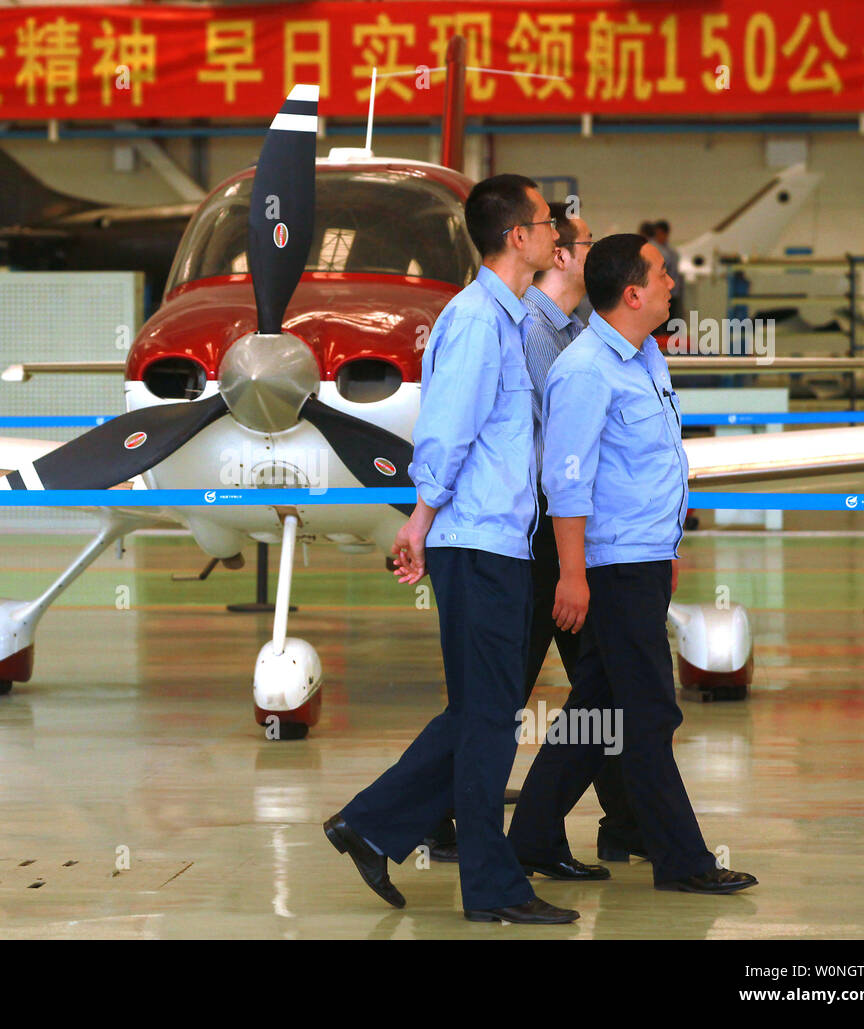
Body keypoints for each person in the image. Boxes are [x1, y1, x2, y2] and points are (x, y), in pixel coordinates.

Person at [323, 174, 579, 925]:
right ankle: (492, 887)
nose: (555, 236)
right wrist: (422, 516)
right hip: (477, 543)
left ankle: (370, 823)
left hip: (494, 540)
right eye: (544, 222)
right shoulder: (475, 320)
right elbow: (447, 431)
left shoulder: (502, 317)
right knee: (490, 719)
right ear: (517, 237)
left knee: (478, 713)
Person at [506, 233, 758, 894]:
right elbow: (566, 479)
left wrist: (667, 550)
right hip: (612, 567)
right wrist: (571, 574)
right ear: (633, 293)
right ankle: (683, 861)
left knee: (601, 711)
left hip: (645, 561)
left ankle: (528, 836)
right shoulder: (586, 369)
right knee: (649, 716)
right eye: (663, 273)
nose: (674, 281)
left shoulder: (645, 357)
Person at [420, 202, 649, 876]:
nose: (590, 250)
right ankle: (442, 819)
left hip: (557, 536)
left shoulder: (573, 328)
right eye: (580, 239)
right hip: (537, 537)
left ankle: (617, 819)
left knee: (597, 680)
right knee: (505, 691)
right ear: (561, 254)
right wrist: (426, 513)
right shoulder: (526, 333)